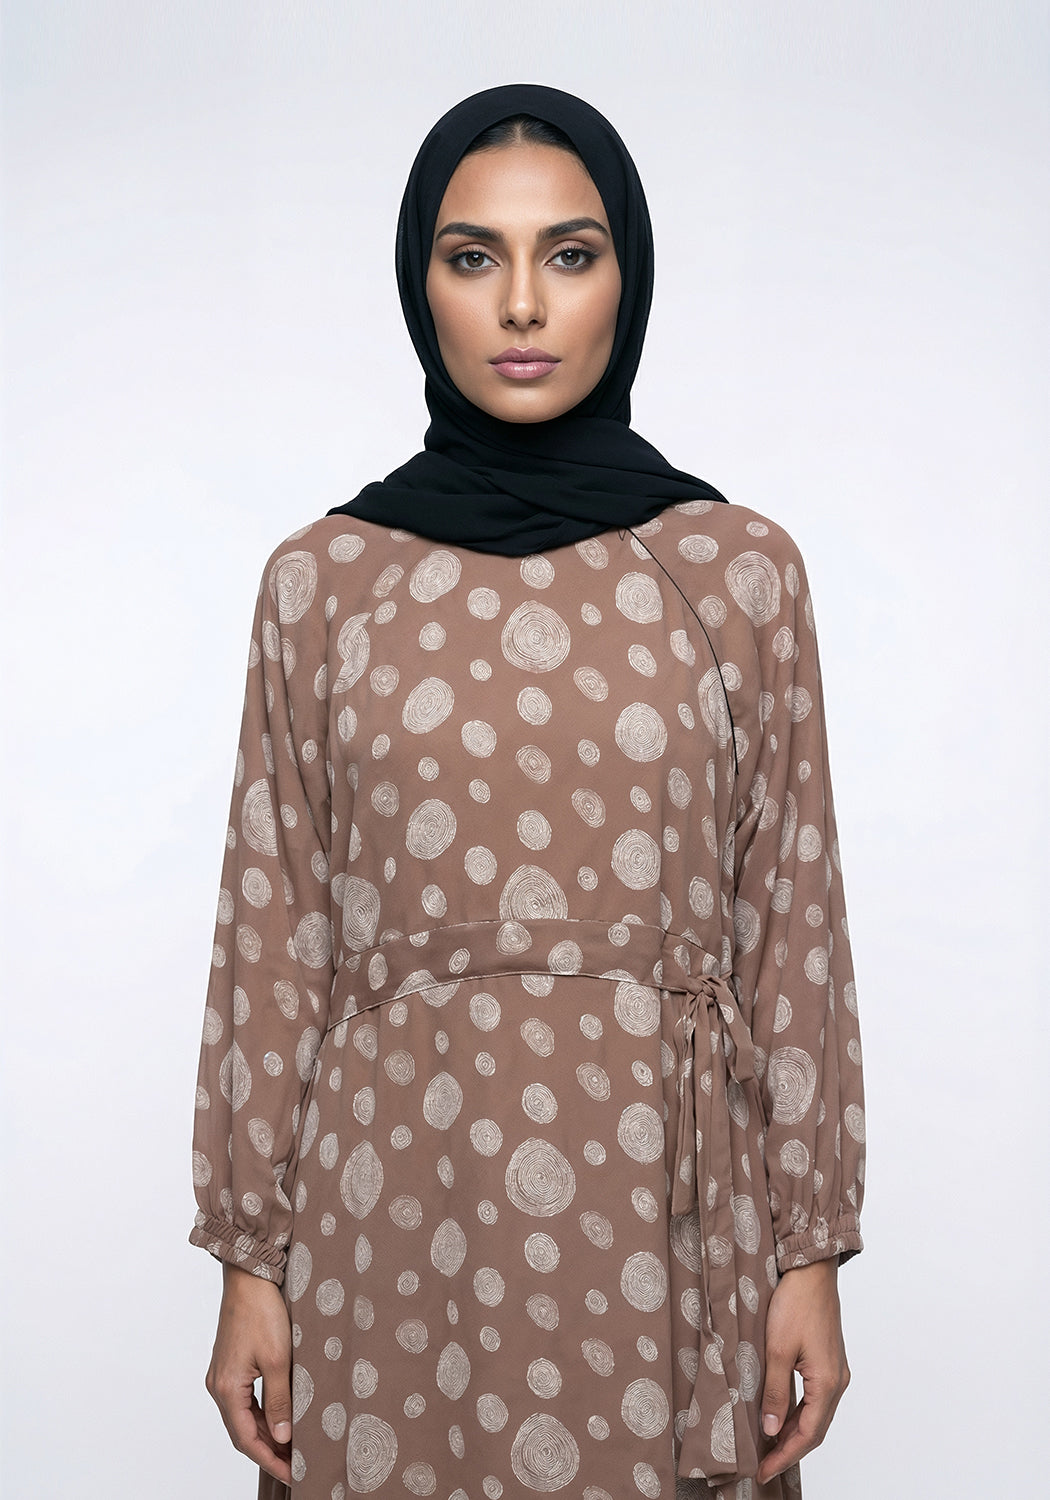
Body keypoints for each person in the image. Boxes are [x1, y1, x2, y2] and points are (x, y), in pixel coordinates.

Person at [189, 82, 865, 1500]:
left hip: (671, 1217)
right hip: (390, 1207)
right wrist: (250, 1260)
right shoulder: (324, 584)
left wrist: (811, 1249)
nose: (520, 305)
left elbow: (789, 925)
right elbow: (275, 932)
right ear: (418, 285)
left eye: (568, 254)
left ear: (629, 277)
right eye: (471, 257)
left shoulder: (737, 573)